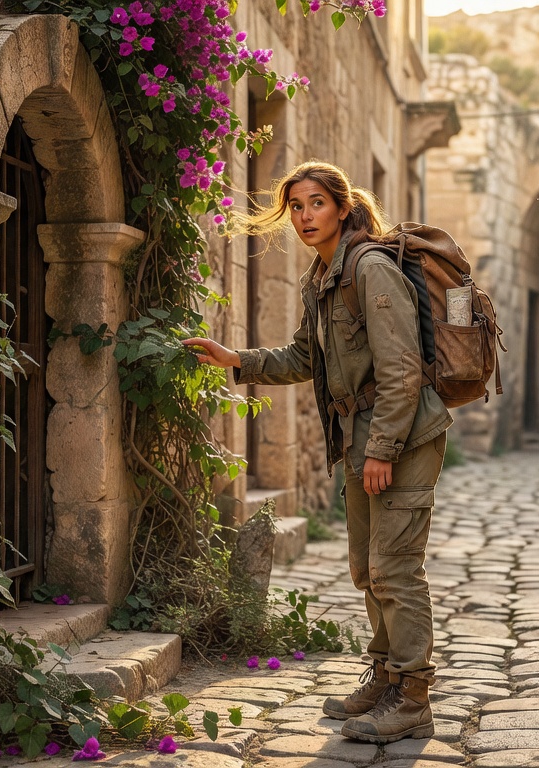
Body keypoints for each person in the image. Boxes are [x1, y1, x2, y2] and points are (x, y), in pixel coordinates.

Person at [182, 161, 452, 745]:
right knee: (365, 569)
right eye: (296, 206)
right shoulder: (323, 276)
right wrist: (237, 360)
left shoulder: (371, 269)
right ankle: (384, 677)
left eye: (316, 204)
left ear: (343, 207)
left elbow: (403, 371)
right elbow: (306, 358)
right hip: (361, 441)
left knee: (396, 569)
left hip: (402, 437)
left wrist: (381, 448)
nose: (305, 216)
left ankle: (413, 697)